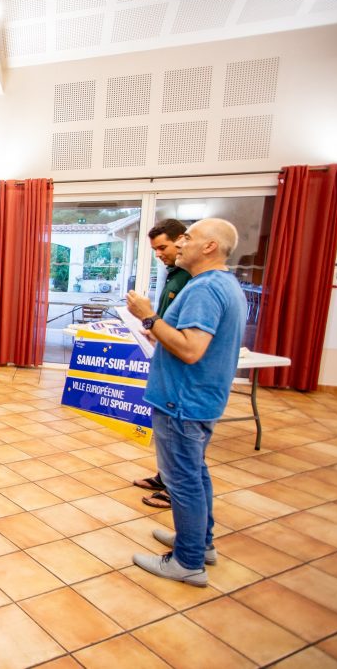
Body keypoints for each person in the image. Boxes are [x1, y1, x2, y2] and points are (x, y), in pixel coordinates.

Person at [126, 219, 246, 587]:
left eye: (188, 238)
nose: (181, 244)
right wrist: (158, 328)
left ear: (210, 246)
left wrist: (147, 315)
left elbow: (191, 349)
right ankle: (199, 542)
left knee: (183, 482)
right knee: (196, 474)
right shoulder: (224, 284)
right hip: (199, 398)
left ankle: (187, 561)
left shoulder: (205, 289)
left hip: (182, 400)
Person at [133, 219, 192, 510]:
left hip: (180, 369)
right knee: (165, 432)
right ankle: (164, 476)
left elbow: (187, 335)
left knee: (179, 438)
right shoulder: (174, 274)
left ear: (182, 240)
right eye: (155, 249)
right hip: (164, 355)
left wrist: (151, 321)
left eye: (162, 247)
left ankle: (173, 487)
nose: (158, 254)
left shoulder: (191, 279)